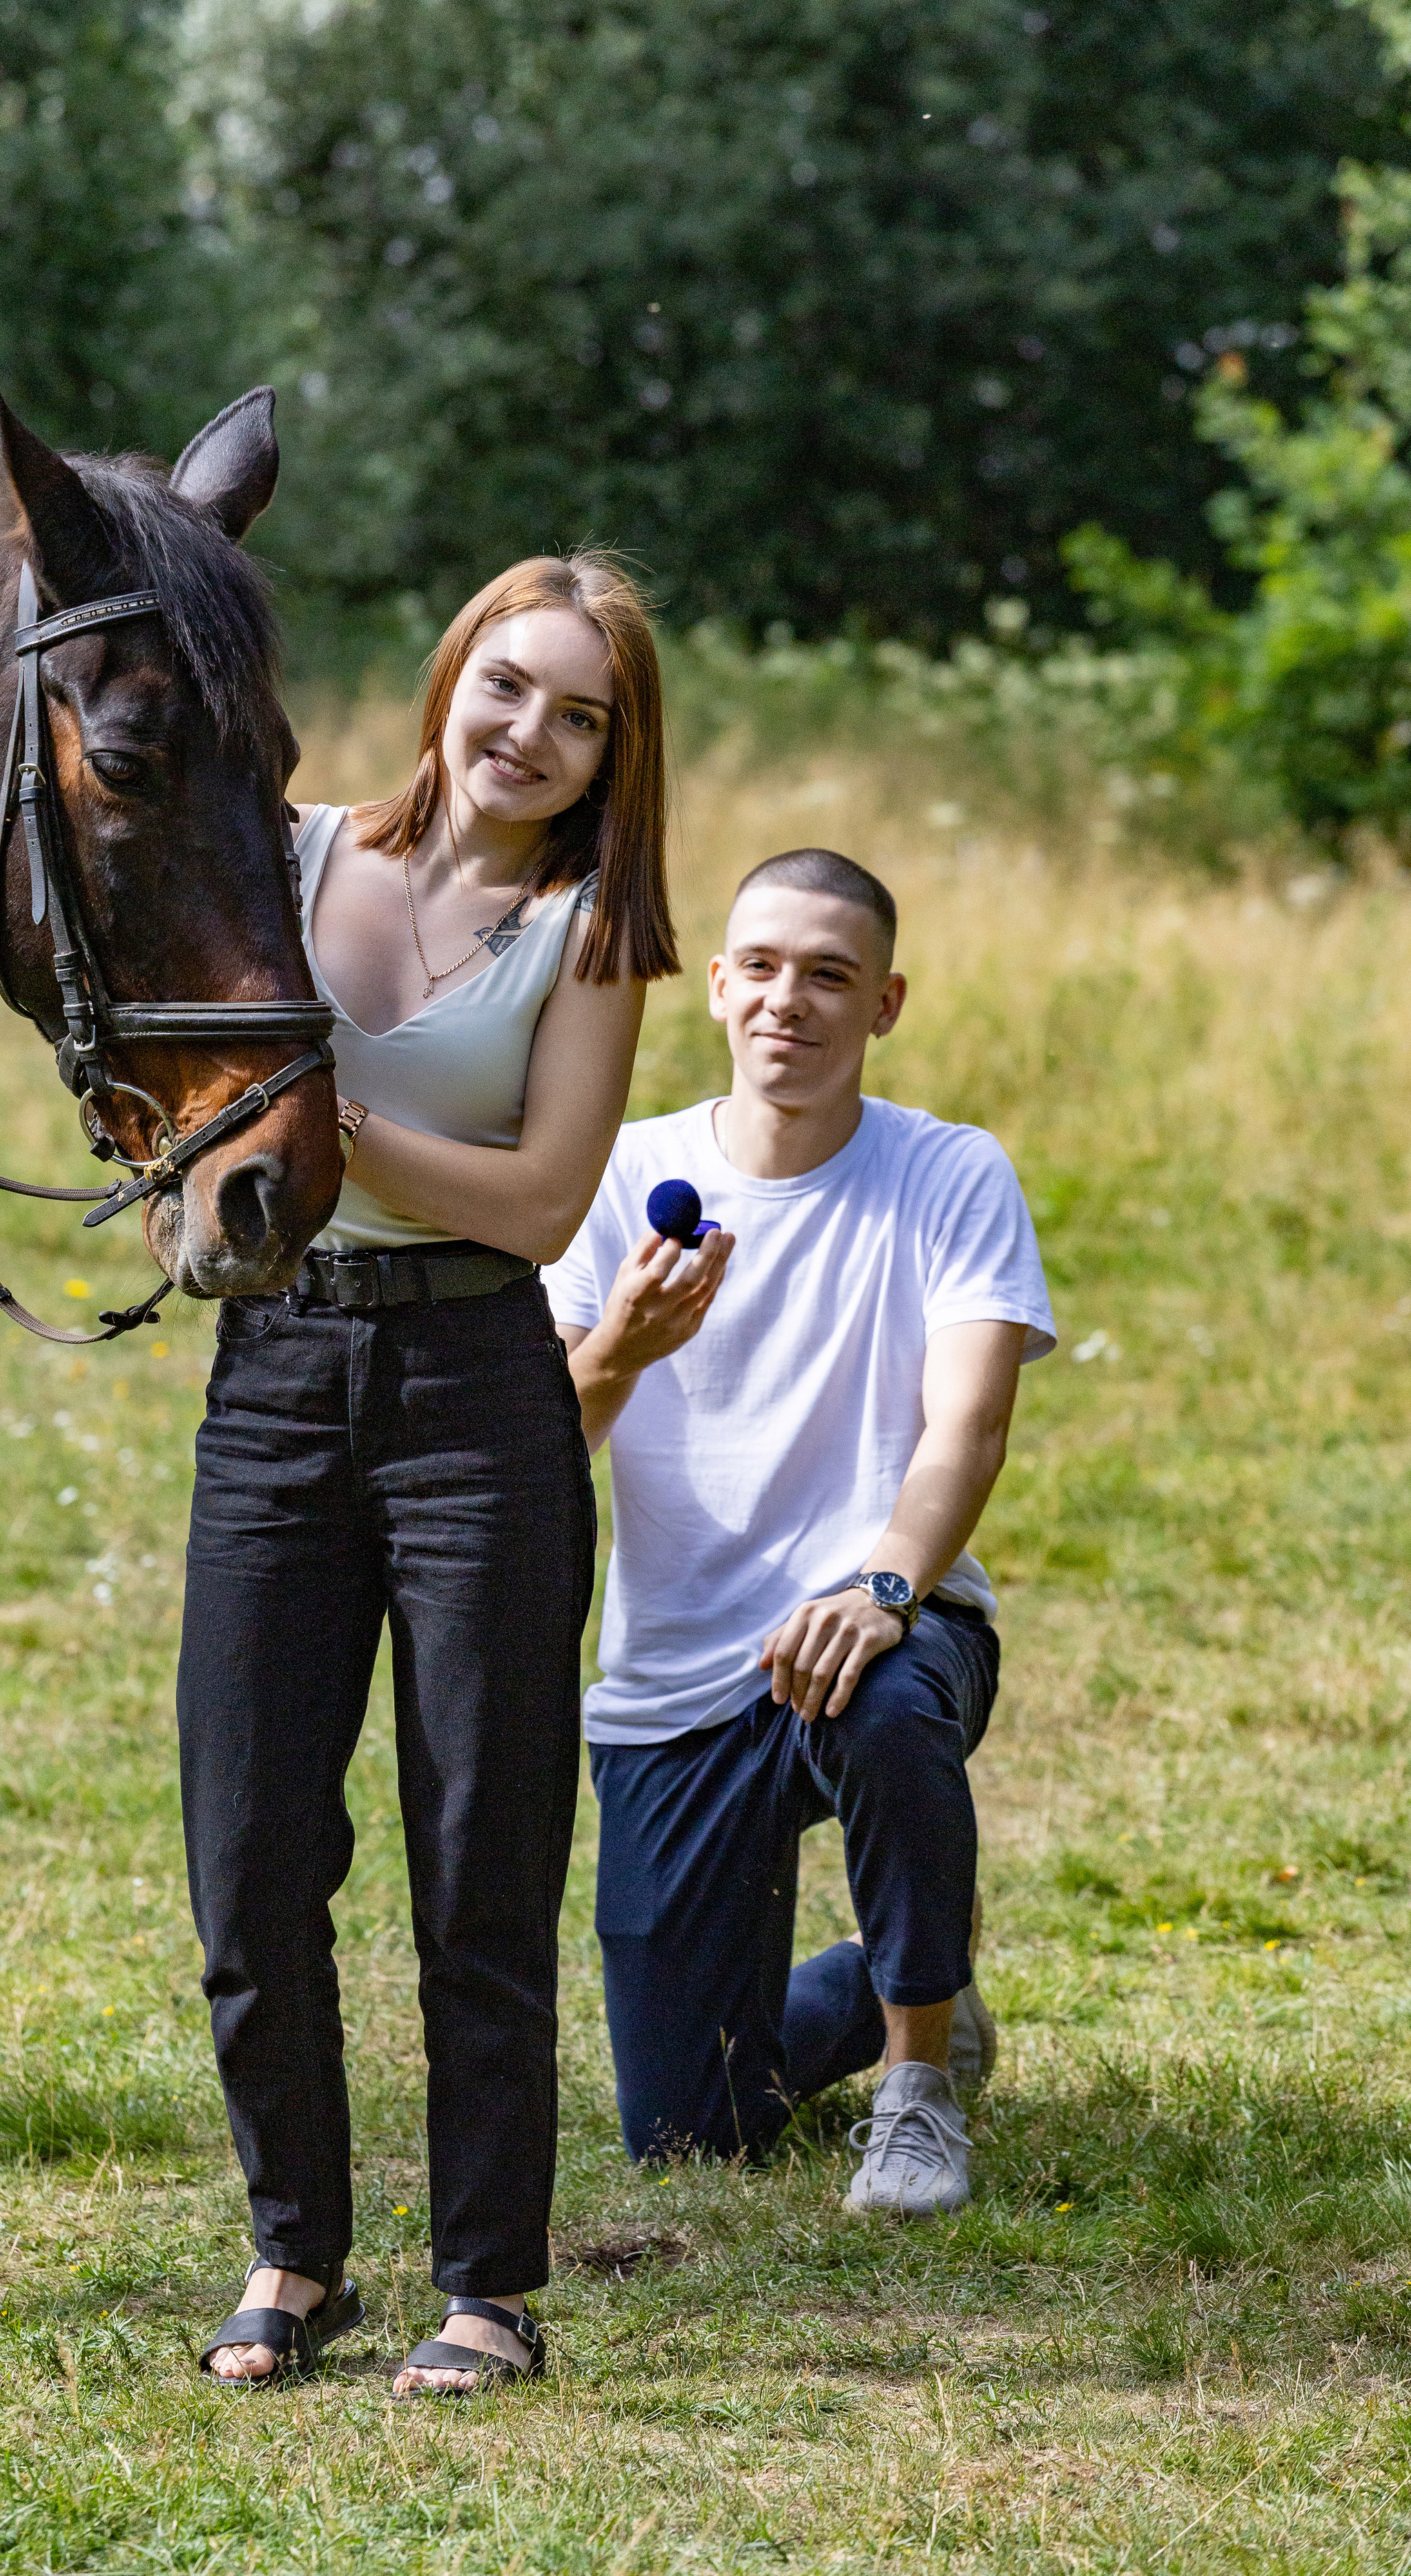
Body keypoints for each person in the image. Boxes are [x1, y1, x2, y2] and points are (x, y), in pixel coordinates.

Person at [178, 554, 677, 2394]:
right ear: (449, 675)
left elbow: (545, 1200)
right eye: (509, 687)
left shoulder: (595, 936)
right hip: (277, 1377)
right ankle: (296, 2255)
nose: (529, 734)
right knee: (248, 1856)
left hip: (482, 1387)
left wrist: (319, 1111)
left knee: (480, 1859)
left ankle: (487, 2284)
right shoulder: (291, 852)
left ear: (618, 752)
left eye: (579, 714)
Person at [542, 846, 1054, 2215]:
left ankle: (915, 2087)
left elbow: (968, 1425)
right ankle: (896, 1977)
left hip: (883, 1617)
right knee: (686, 2138)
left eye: (829, 976)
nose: (790, 1002)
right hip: (670, 1684)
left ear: (882, 1004)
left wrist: (885, 1584)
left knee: (882, 1704)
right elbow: (549, 1439)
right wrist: (622, 1349)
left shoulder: (947, 1173)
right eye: (761, 968)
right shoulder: (617, 1174)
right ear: (713, 987)